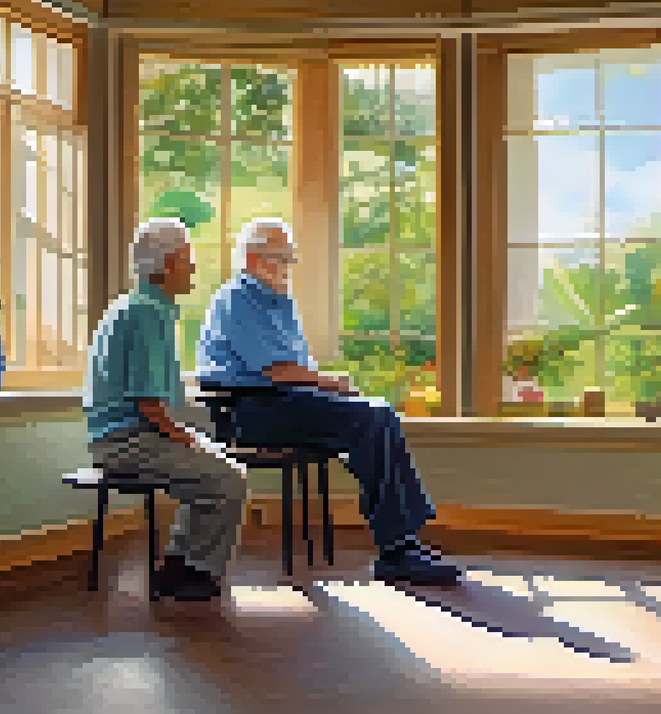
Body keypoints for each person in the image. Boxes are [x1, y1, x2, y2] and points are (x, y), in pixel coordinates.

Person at [197, 218, 461, 586]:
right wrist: (330, 383)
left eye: (290, 257)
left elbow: (296, 366)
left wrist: (326, 385)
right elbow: (277, 369)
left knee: (378, 415)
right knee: (372, 419)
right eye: (281, 257)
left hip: (282, 401)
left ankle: (402, 544)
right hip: (250, 410)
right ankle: (398, 548)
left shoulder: (279, 301)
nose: (288, 265)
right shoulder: (237, 299)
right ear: (255, 259)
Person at [84, 217, 248, 601]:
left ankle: (180, 564)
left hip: (124, 435)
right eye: (188, 258)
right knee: (228, 478)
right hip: (126, 440)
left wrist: (196, 435)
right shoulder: (146, 313)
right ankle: (192, 572)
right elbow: (148, 403)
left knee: (215, 466)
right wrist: (188, 437)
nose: (193, 268)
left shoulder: (138, 306)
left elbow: (158, 399)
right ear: (169, 263)